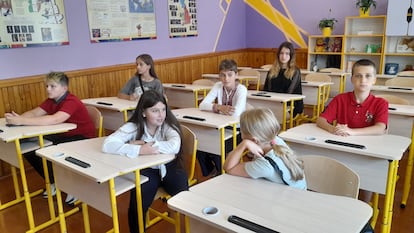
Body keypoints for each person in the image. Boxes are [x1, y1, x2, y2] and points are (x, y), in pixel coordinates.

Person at [102, 90, 188, 233]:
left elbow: (174, 146)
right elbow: (108, 144)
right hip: (147, 171)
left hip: (171, 168)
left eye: (163, 110)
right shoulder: (134, 126)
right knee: (137, 206)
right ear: (143, 112)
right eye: (155, 111)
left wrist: (143, 144)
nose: (161, 115)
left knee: (186, 201)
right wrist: (139, 150)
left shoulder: (167, 125)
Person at [5, 71, 96, 205]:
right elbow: (35, 112)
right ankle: (54, 181)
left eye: (52, 86)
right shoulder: (51, 100)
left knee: (48, 151)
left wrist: (21, 121)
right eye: (47, 86)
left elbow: (55, 119)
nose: (48, 89)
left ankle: (74, 188)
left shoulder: (72, 101)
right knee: (29, 148)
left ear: (64, 88)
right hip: (63, 134)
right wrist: (18, 119)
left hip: (81, 137)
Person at [316, 59, 388, 202]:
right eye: (358, 76)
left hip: (367, 150)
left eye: (368, 76)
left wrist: (352, 132)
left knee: (368, 174)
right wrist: (333, 129)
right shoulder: (340, 99)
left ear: (374, 80)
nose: (363, 80)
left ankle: (364, 204)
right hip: (341, 146)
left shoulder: (380, 103)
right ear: (352, 79)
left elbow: (380, 128)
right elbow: (321, 120)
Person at [223, 108, 307, 190]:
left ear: (254, 140)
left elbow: (229, 168)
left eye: (241, 131)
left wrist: (243, 144)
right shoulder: (275, 140)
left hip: (292, 200)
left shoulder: (265, 165)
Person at [197, 59, 248, 176]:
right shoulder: (218, 86)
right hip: (219, 127)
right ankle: (211, 171)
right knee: (200, 145)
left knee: (217, 147)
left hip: (237, 129)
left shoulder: (241, 89)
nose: (226, 79)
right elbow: (202, 105)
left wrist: (215, 109)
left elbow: (235, 115)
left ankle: (223, 173)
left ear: (236, 75)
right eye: (223, 75)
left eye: (230, 75)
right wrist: (218, 107)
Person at [263, 41, 303, 117]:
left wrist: (275, 102)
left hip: (290, 105)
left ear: (291, 55)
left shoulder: (295, 71)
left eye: (287, 54)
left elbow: (289, 92)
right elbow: (267, 89)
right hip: (273, 102)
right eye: (281, 53)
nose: (283, 56)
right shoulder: (272, 70)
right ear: (278, 55)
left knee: (273, 113)